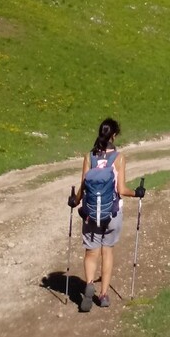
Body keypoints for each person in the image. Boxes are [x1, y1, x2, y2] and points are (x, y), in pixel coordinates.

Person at [68, 117, 145, 312]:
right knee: (107, 250)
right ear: (114, 135)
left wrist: (74, 201)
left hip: (90, 213)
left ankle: (90, 283)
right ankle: (102, 295)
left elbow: (84, 186)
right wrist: (137, 193)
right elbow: (121, 189)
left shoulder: (89, 157)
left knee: (91, 252)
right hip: (112, 213)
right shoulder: (118, 158)